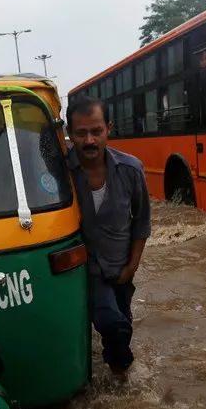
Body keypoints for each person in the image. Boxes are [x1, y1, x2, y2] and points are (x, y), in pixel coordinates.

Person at [65, 95, 151, 378]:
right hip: (82, 271)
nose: (89, 140)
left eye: (96, 131)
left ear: (108, 129)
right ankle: (121, 377)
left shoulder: (131, 170)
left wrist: (131, 267)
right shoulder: (58, 173)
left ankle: (113, 370)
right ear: (70, 134)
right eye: (81, 133)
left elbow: (141, 223)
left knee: (122, 324)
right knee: (112, 322)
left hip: (120, 269)